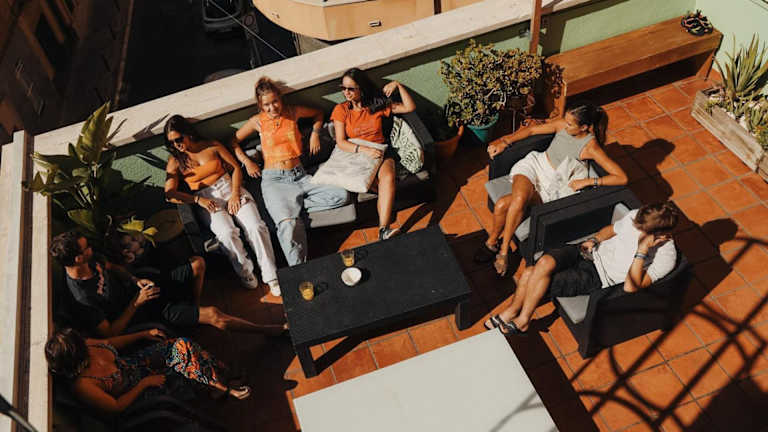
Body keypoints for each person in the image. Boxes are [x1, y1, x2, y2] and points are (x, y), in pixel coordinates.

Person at [477, 104, 628, 276]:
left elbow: (621, 177)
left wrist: (589, 181)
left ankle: (491, 244)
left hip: (552, 186)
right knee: (519, 199)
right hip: (535, 166)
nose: (565, 125)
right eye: (566, 120)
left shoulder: (590, 147)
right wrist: (505, 142)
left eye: (570, 124)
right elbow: (532, 130)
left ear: (584, 127)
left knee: (502, 205)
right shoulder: (562, 125)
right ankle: (503, 252)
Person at [485, 201, 679, 334]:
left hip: (598, 276)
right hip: (588, 252)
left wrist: (642, 250)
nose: (635, 228)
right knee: (543, 263)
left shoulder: (666, 257)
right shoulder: (638, 217)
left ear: (661, 236)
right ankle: (516, 314)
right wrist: (595, 239)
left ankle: (520, 317)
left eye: (640, 230)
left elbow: (630, 287)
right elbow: (612, 230)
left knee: (529, 273)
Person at [51, 231, 285, 337]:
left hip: (143, 289)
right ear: (77, 259)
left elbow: (114, 268)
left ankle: (192, 311)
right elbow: (110, 333)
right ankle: (267, 330)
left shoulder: (92, 260)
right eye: (86, 248)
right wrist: (136, 302)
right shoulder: (82, 299)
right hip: (143, 312)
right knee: (214, 315)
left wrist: (134, 280)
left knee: (198, 264)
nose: (91, 248)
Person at [230, 77, 349, 270]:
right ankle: (299, 271)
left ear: (280, 98)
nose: (272, 107)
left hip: (301, 175)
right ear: (260, 105)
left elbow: (318, 113)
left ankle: (291, 208)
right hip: (275, 181)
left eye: (275, 101)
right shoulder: (257, 121)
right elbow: (233, 141)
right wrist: (247, 161)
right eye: (266, 105)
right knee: (288, 226)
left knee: (341, 195)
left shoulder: (293, 112)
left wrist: (315, 133)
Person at [163, 115, 280, 294]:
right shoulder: (175, 161)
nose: (176, 145)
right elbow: (169, 194)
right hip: (206, 198)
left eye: (178, 139)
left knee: (256, 226)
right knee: (226, 233)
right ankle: (245, 272)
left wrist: (235, 194)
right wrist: (197, 200)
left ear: (188, 133)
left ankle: (271, 276)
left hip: (230, 187)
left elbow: (236, 168)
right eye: (171, 142)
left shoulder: (212, 145)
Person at [45, 327, 250, 413]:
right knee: (181, 367)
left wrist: (142, 334)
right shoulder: (84, 385)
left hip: (135, 364)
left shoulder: (88, 345)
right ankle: (222, 384)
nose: (85, 342)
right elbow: (116, 406)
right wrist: (144, 384)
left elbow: (111, 342)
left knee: (181, 346)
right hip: (135, 390)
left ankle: (218, 385)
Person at [330, 67, 416, 240]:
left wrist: (398, 85)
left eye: (350, 88)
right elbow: (341, 142)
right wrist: (364, 150)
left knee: (388, 177)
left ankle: (384, 229)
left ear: (361, 88)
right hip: (357, 154)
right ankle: (386, 199)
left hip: (380, 149)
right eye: (343, 88)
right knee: (375, 184)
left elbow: (409, 107)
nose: (346, 92)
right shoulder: (341, 110)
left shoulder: (377, 105)